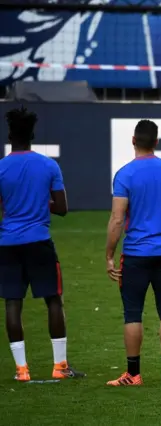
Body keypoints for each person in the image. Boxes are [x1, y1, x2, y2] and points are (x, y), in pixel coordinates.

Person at [0, 106, 84, 381]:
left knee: (13, 303)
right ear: (33, 135)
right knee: (53, 301)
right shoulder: (49, 165)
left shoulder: (1, 168)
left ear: (10, 134)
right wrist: (39, 203)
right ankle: (60, 367)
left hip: (8, 243)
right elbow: (61, 207)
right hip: (39, 242)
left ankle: (21, 370)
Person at [105, 119, 161, 386]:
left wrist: (109, 254)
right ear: (156, 142)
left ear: (133, 140)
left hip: (136, 254)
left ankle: (133, 374)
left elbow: (117, 220)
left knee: (133, 313)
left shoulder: (125, 174)